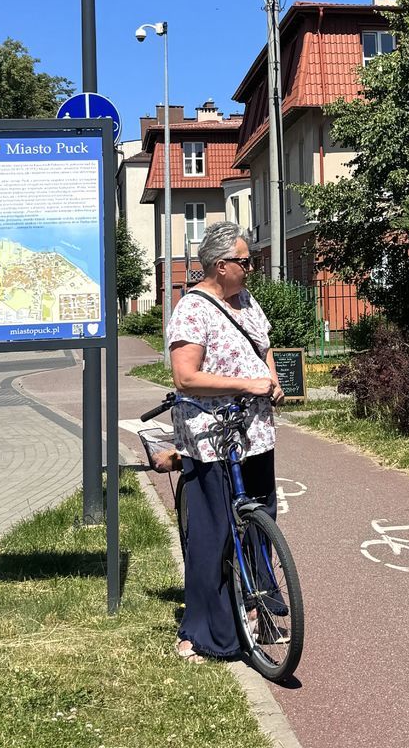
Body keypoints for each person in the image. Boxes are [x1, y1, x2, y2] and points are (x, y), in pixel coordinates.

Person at [166, 221, 284, 663]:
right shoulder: (192, 310)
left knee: (260, 519)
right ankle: (204, 632)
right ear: (221, 265)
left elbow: (263, 346)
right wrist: (246, 384)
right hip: (211, 436)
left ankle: (258, 605)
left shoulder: (246, 301)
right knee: (213, 533)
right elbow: (186, 377)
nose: (251, 268)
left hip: (254, 432)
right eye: (245, 261)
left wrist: (270, 379)